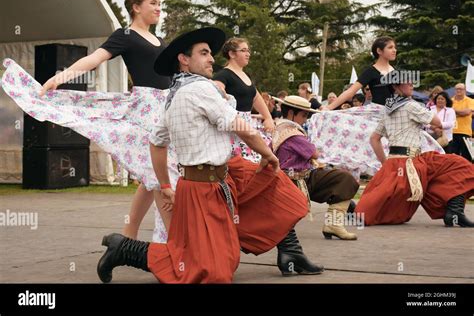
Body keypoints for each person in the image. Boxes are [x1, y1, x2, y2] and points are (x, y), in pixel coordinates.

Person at [96, 27, 324, 283]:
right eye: (203, 53)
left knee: (279, 192)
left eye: (210, 53)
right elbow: (239, 126)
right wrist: (268, 155)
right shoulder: (199, 90)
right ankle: (124, 249)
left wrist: (165, 185)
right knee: (211, 272)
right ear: (184, 59)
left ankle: (290, 253)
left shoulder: (175, 95)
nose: (211, 59)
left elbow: (156, 143)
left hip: (224, 176)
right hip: (202, 188)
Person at [28, 0, 174, 240]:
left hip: (165, 108)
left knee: (151, 174)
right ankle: (174, 240)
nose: (158, 8)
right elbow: (94, 59)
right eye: (153, 3)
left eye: (160, 3)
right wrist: (60, 77)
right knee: (158, 173)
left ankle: (129, 235)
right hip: (145, 110)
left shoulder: (160, 41)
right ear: (136, 7)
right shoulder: (126, 35)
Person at [355, 80, 474, 227]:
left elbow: (374, 139)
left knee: (447, 167)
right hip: (411, 162)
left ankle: (454, 212)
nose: (412, 85)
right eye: (408, 83)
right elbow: (437, 122)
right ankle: (454, 211)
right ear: (395, 87)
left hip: (397, 162)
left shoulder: (388, 109)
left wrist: (386, 164)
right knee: (460, 165)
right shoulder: (411, 105)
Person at [272, 95, 360, 239]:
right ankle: (334, 225)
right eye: (304, 115)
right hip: (297, 181)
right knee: (345, 179)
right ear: (290, 113)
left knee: (340, 179)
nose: (306, 119)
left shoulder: (280, 128)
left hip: (292, 178)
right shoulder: (293, 134)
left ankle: (334, 224)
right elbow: (315, 154)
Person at [213, 38, 274, 163]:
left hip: (248, 125)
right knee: (242, 165)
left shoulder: (246, 75)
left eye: (248, 51)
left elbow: (256, 96)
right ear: (232, 54)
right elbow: (216, 97)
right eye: (243, 50)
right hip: (234, 127)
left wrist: (268, 117)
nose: (248, 54)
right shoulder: (223, 75)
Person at [325, 36, 397, 110]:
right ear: (379, 51)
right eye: (390, 47)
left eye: (394, 47)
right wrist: (329, 107)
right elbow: (351, 91)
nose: (394, 50)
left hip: (396, 113)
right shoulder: (370, 71)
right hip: (379, 114)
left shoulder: (395, 71)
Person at [451, 83, 474, 161]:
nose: (458, 90)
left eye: (460, 89)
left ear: (465, 90)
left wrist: (454, 111)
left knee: (466, 157)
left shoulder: (470, 101)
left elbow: (467, 112)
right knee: (453, 157)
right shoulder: (450, 101)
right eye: (457, 89)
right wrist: (460, 112)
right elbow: (449, 113)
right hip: (452, 132)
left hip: (465, 132)